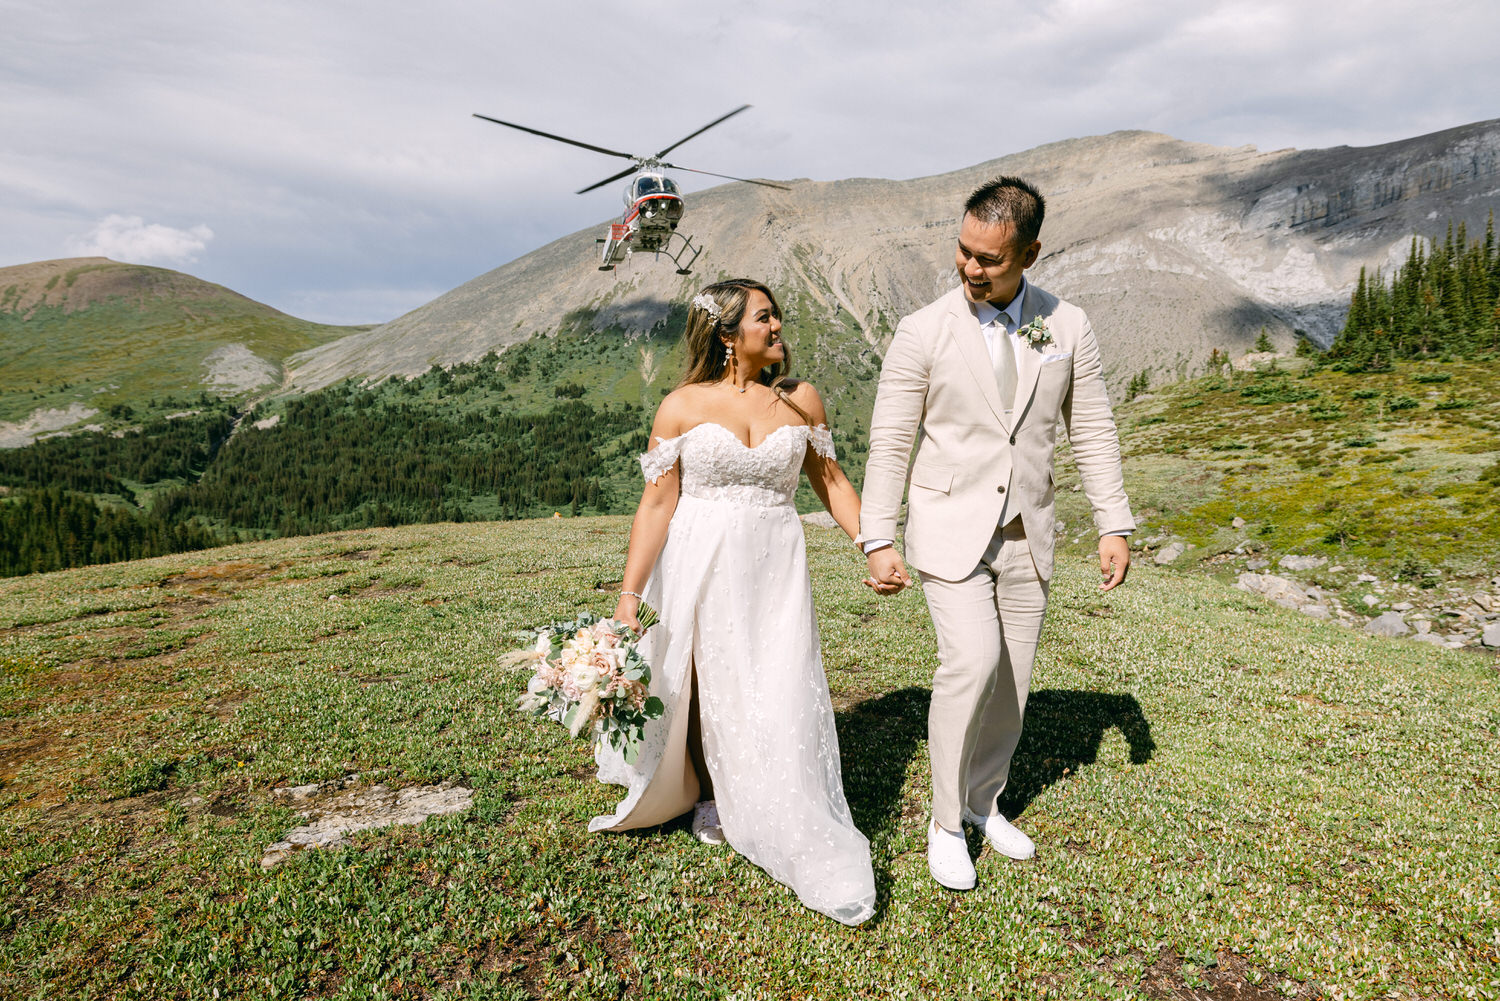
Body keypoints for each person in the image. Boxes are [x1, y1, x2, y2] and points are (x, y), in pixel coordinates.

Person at [860, 176, 1135, 891]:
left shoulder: (1066, 326)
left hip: (1028, 532)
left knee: (1012, 680)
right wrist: (876, 536)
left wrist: (1114, 522)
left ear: (1031, 253)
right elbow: (891, 440)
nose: (970, 268)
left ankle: (985, 802)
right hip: (949, 526)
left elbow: (1094, 429)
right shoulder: (922, 329)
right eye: (963, 251)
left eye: (989, 258)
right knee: (973, 661)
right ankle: (945, 822)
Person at [596, 279, 881, 926]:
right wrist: (628, 597)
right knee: (698, 672)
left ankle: (783, 794)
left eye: (777, 313)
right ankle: (706, 791)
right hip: (699, 555)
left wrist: (874, 544)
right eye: (763, 316)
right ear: (728, 336)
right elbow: (658, 503)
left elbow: (832, 483)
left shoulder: (801, 401)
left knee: (777, 676)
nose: (778, 324)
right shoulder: (681, 405)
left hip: (775, 564)